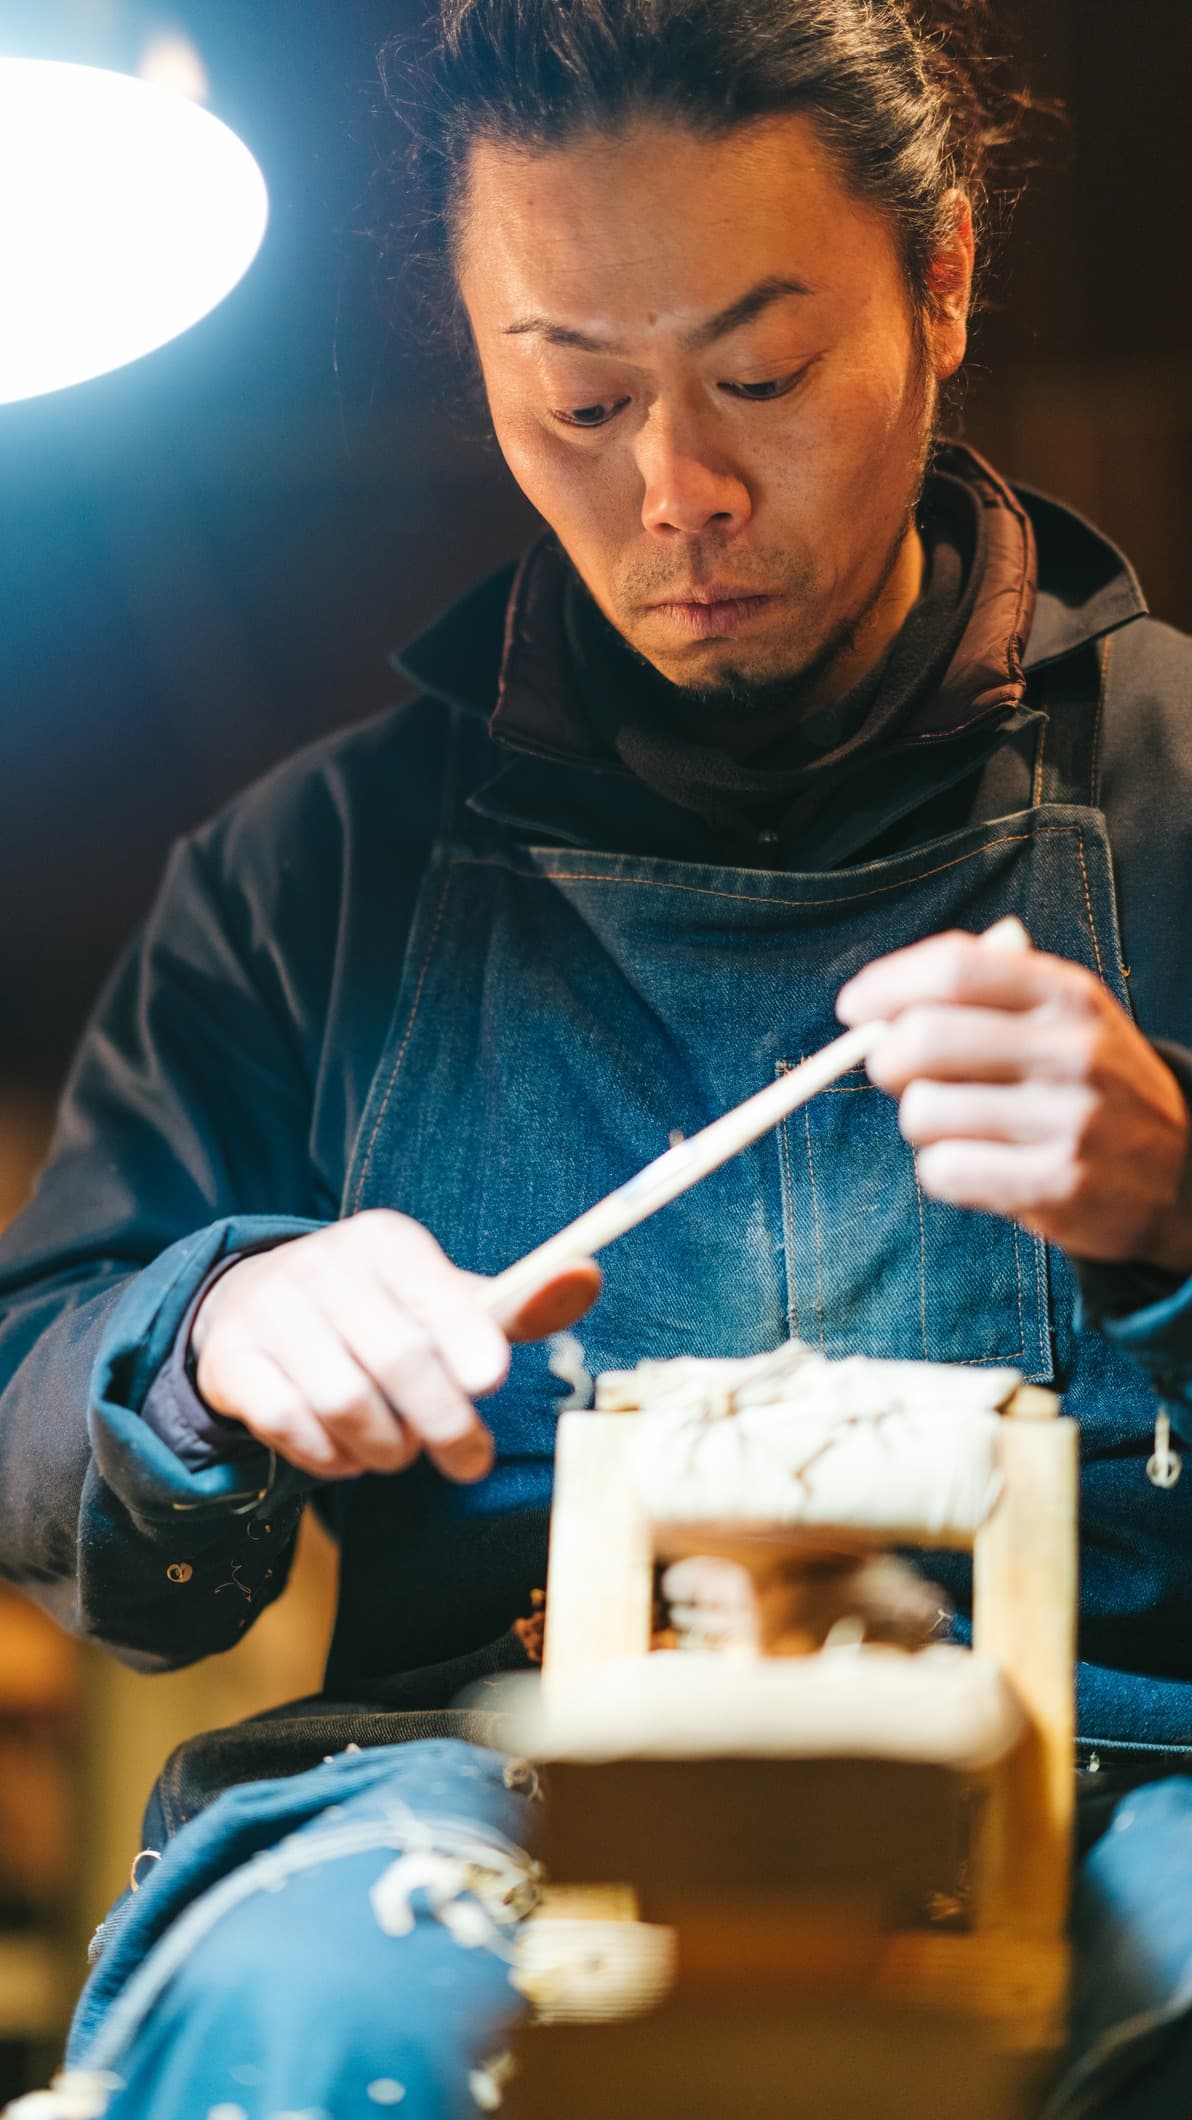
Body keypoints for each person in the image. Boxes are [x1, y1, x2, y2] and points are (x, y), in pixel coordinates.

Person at [3, 0, 1192, 2112]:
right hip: (470, 1790)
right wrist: (206, 1335)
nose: (679, 491)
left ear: (935, 290)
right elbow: (37, 1397)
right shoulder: (312, 878)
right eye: (572, 396)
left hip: (1132, 1769)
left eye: (757, 372)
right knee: (319, 2019)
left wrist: (1180, 1204)